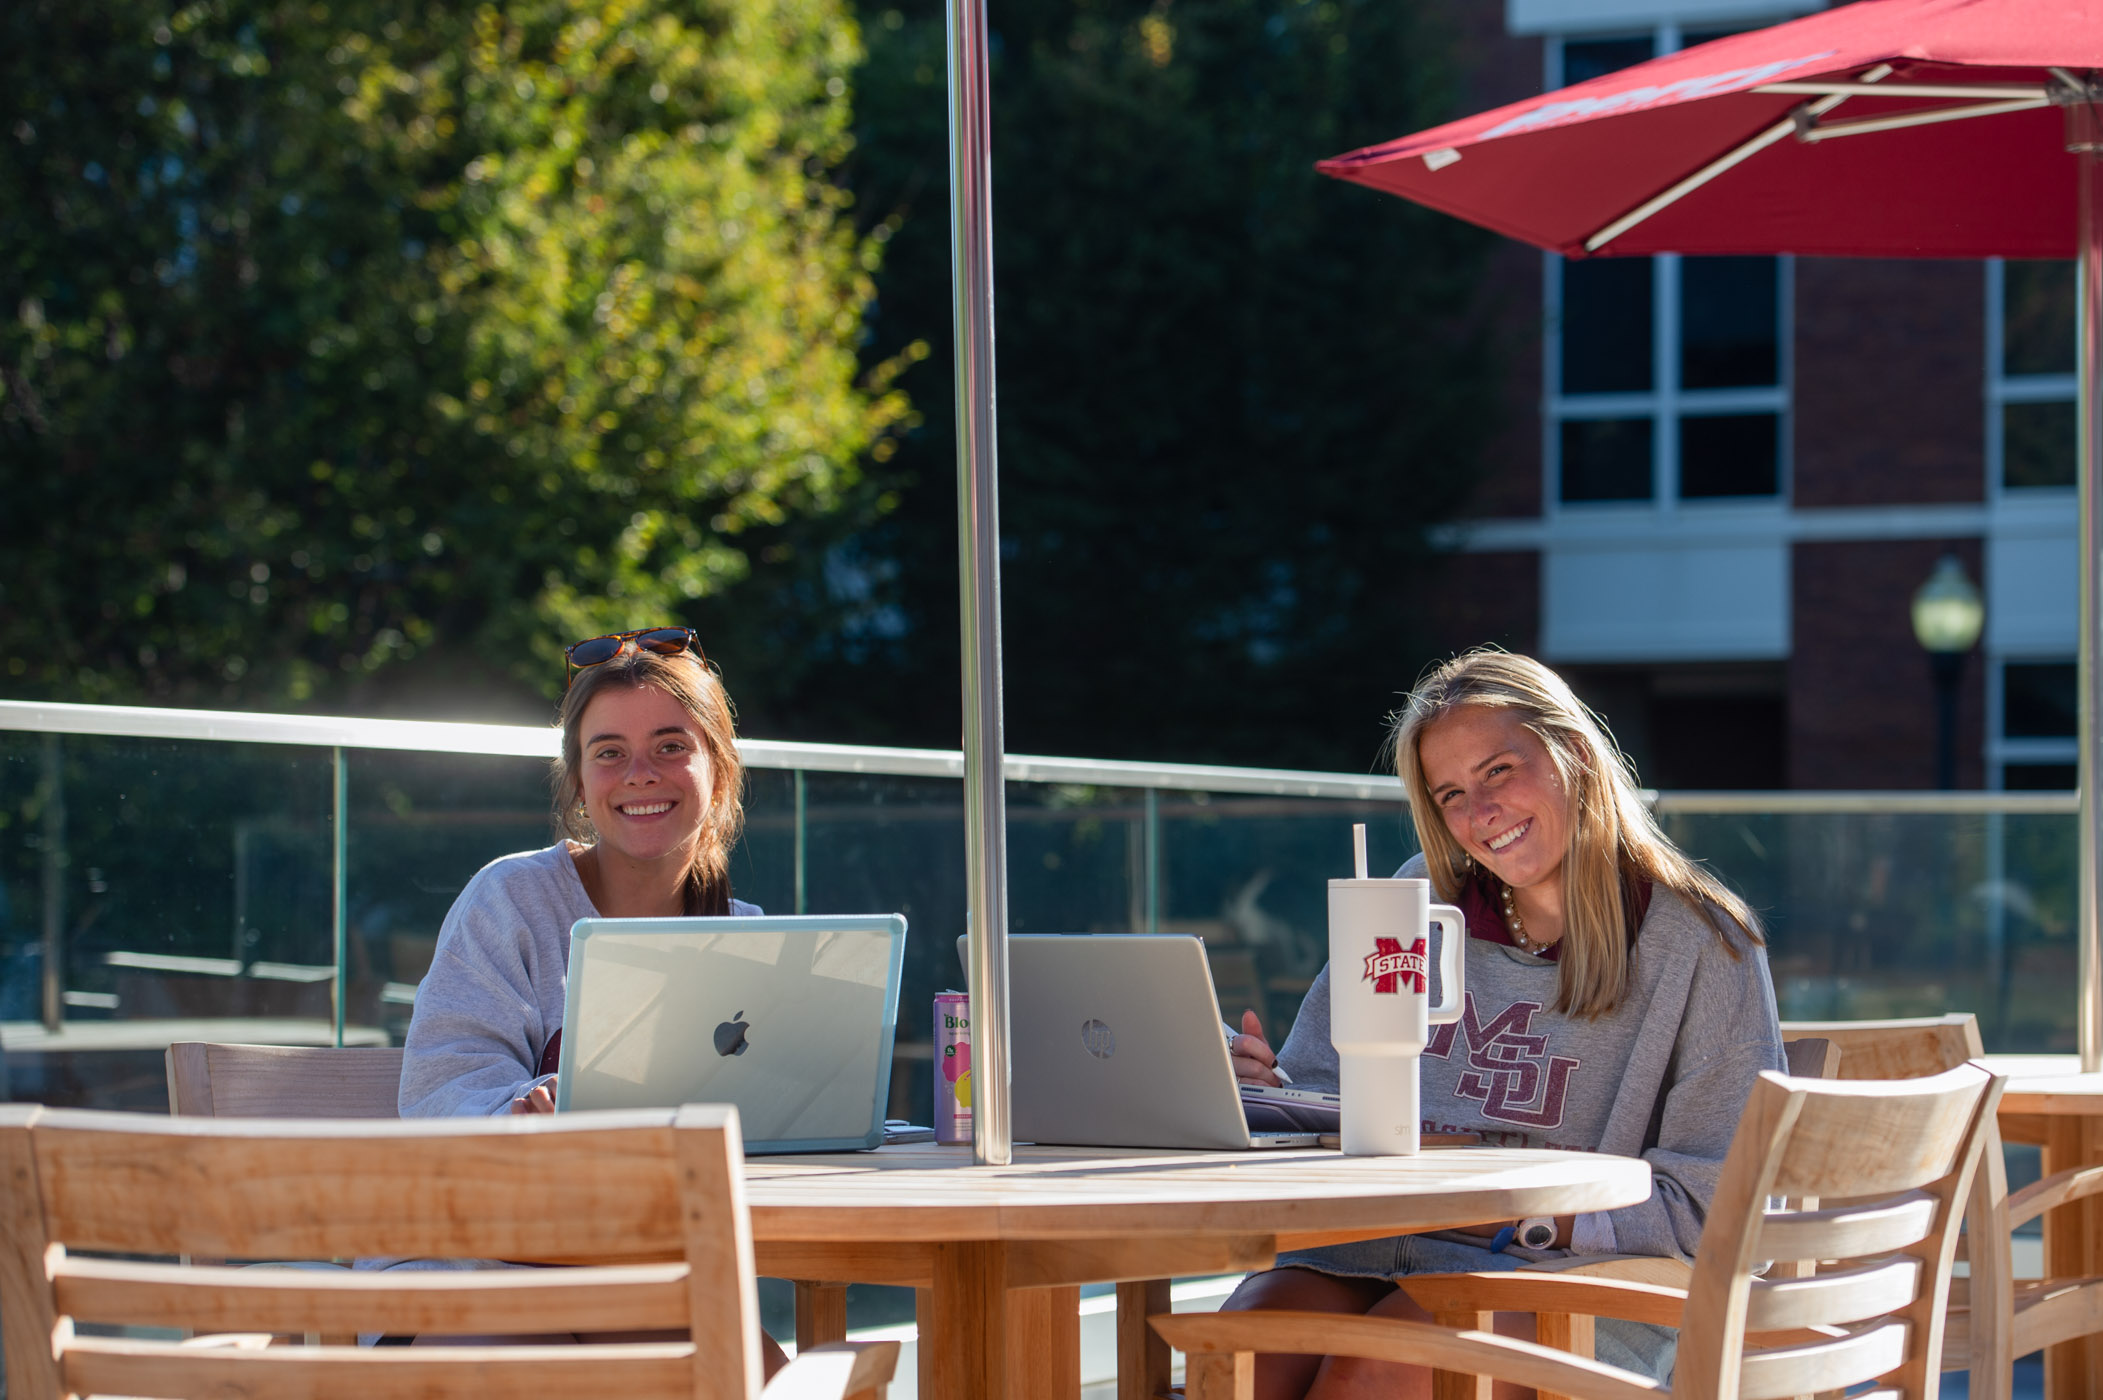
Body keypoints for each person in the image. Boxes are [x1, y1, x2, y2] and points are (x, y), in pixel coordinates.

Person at [1223, 649, 1784, 1400]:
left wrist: (1521, 1221)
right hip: (1375, 1250)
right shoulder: (1412, 898)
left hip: (1585, 1279)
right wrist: (1262, 1092)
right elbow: (1325, 1097)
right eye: (1450, 792)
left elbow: (1719, 1205)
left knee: (1375, 1372)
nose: (1479, 814)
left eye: (1497, 771)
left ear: (1574, 755)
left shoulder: (1702, 941)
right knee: (1240, 1359)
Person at [391, 626, 785, 1370]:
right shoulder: (511, 899)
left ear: (719, 770)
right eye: (608, 753)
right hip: (478, 1267)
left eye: (671, 746)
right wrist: (530, 1104)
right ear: (577, 781)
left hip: (640, 1273)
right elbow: (440, 1092)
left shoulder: (751, 944)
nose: (640, 772)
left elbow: (787, 1126)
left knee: (749, 1370)